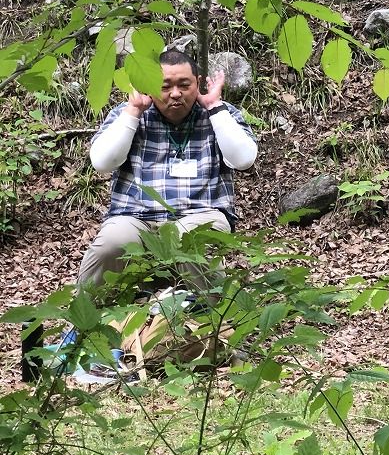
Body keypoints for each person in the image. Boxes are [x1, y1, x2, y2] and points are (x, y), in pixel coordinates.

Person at [79, 48, 257, 291]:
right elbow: (102, 163)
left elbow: (244, 159)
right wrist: (133, 113)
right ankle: (80, 319)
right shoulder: (130, 114)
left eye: (184, 85)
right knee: (112, 243)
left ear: (198, 84)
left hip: (201, 214)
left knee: (189, 237)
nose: (175, 94)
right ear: (150, 86)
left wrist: (215, 106)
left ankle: (214, 321)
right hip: (136, 217)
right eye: (165, 86)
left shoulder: (220, 114)